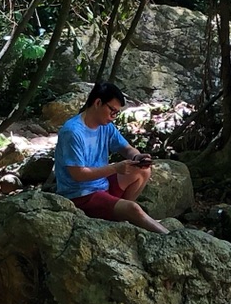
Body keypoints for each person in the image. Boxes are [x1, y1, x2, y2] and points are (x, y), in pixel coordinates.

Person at [53, 81, 168, 235]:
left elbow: (125, 148)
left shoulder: (105, 126)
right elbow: (78, 174)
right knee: (133, 208)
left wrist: (137, 156)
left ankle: (120, 215)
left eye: (116, 113)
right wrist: (115, 168)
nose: (113, 117)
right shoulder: (72, 132)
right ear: (98, 103)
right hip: (80, 196)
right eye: (112, 111)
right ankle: (167, 235)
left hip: (102, 186)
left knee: (143, 171)